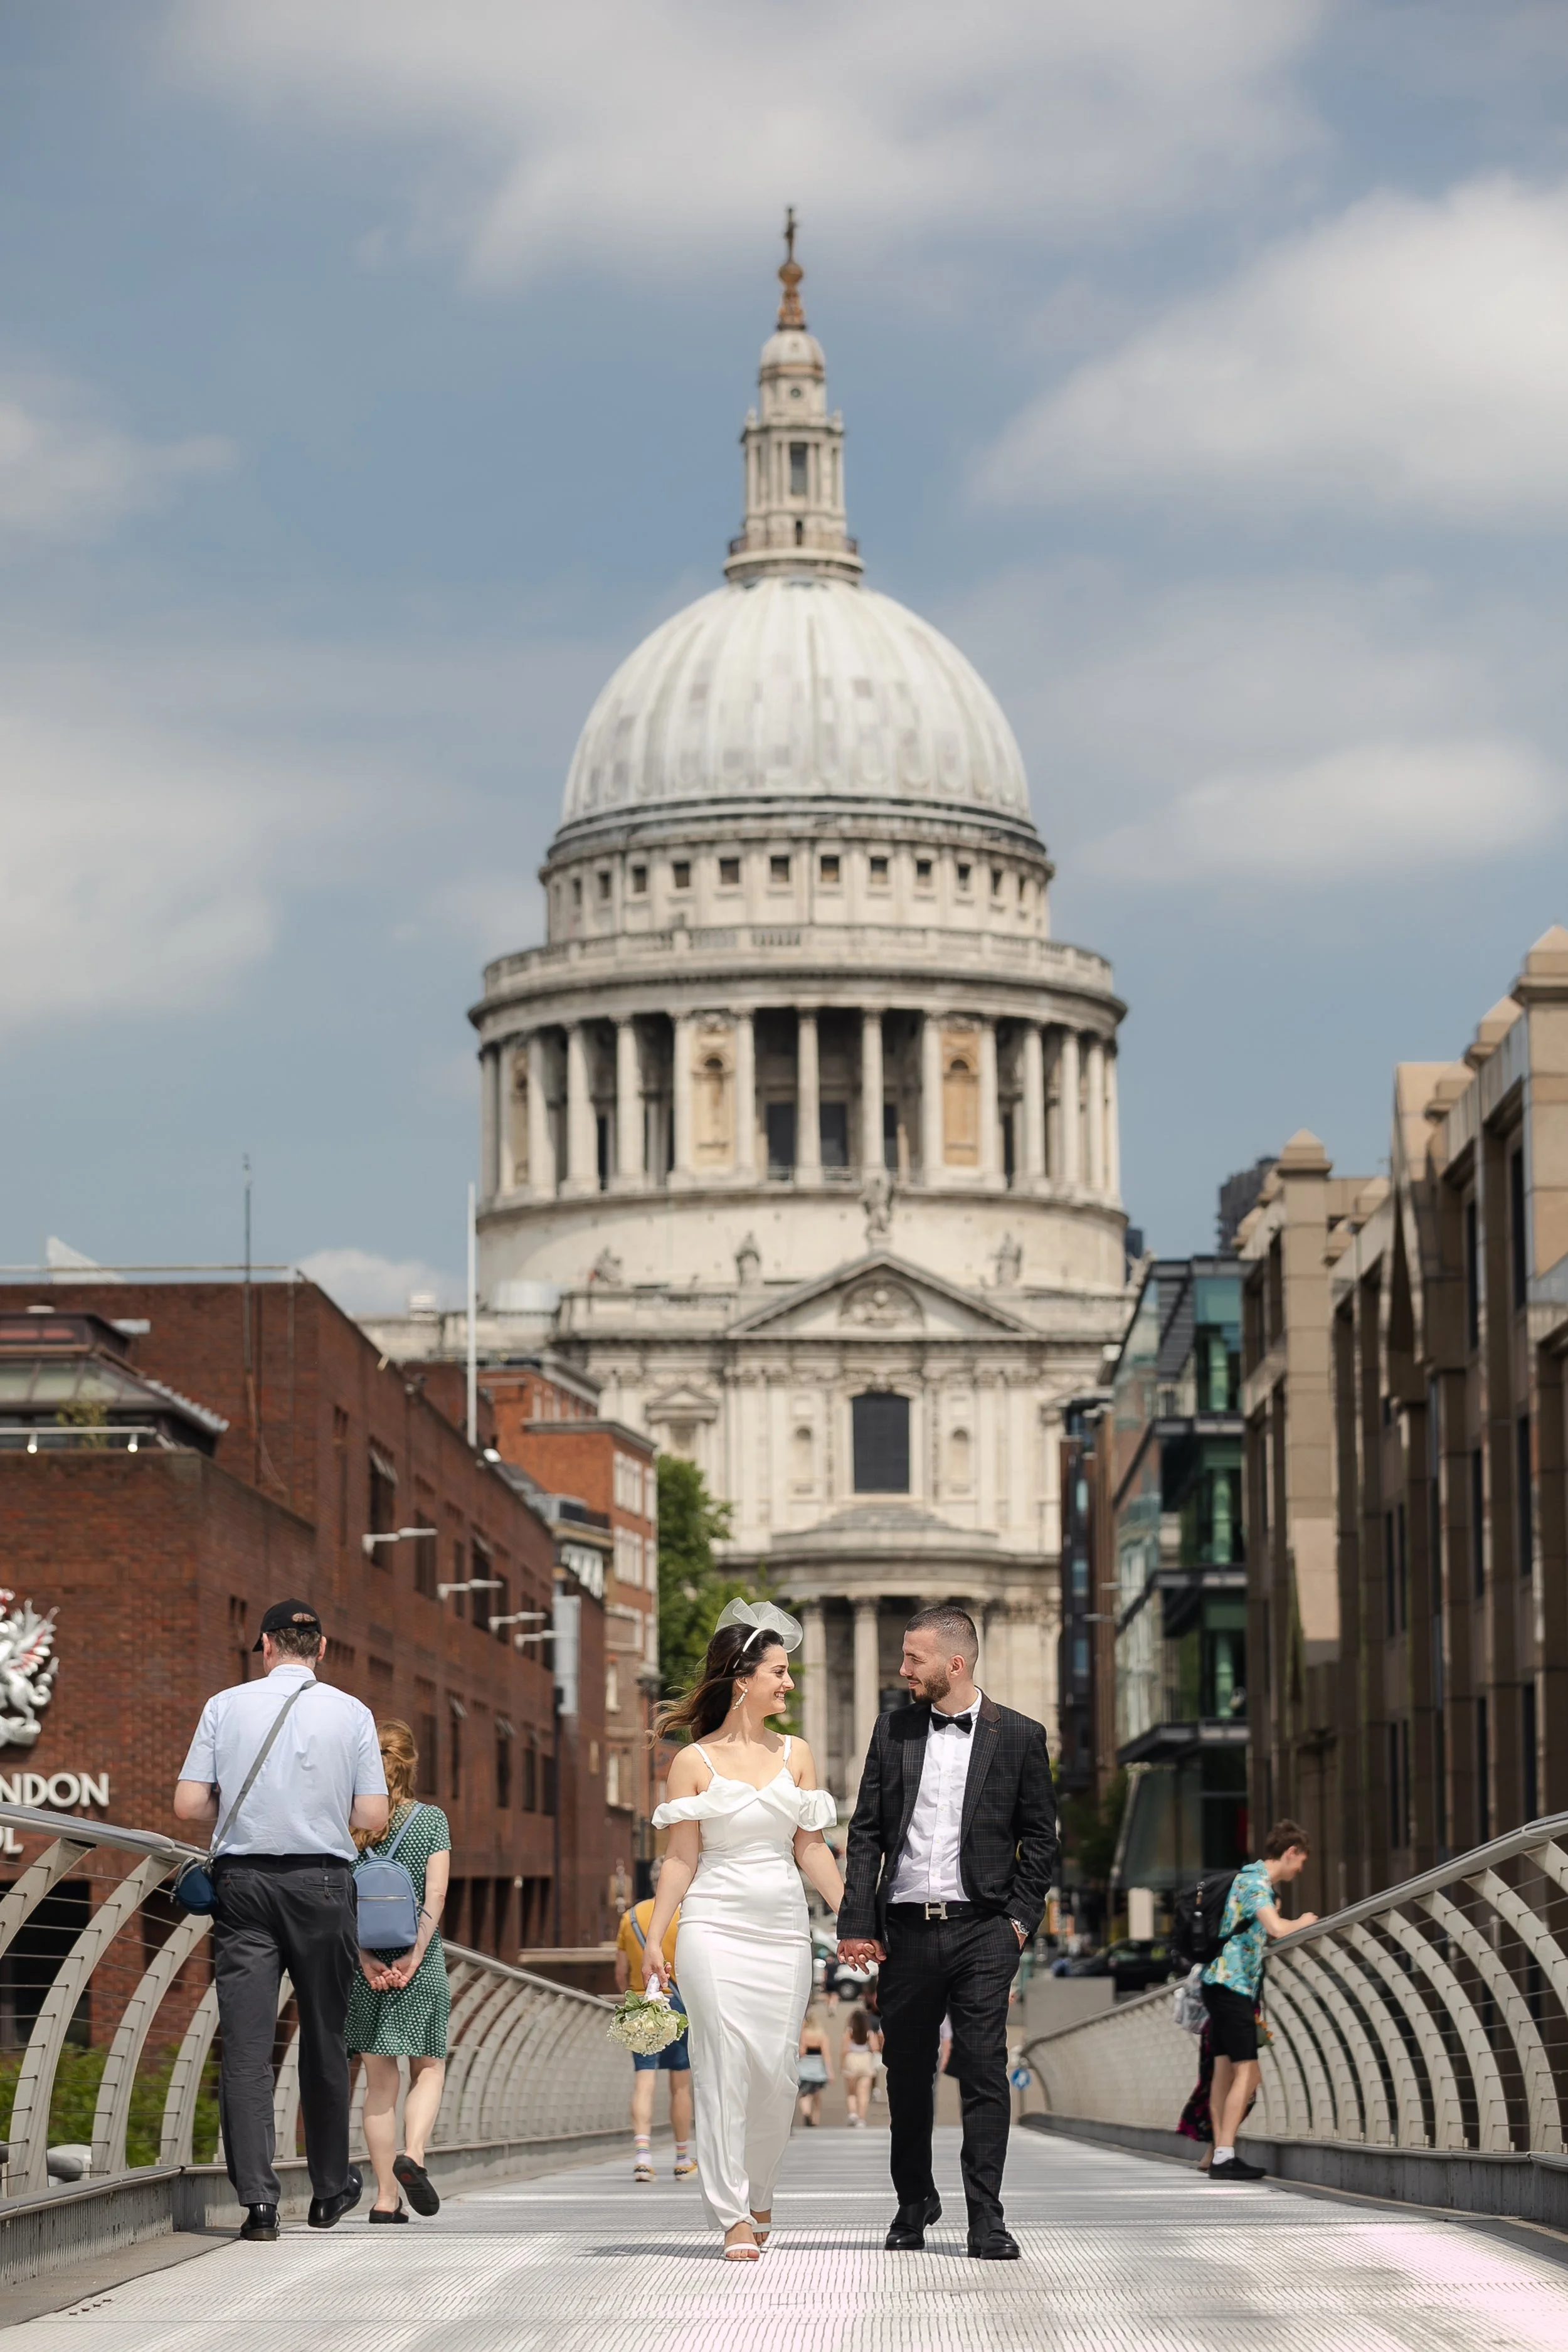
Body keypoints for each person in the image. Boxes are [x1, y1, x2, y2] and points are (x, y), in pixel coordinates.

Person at [838, 1603, 1057, 2262]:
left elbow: (1040, 1842)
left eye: (914, 1659)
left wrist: (1018, 1922)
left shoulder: (1019, 1736)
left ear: (954, 1664)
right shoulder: (892, 1730)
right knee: (905, 2074)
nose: (902, 1670)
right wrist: (857, 1923)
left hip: (983, 1930)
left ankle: (986, 2219)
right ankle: (913, 2203)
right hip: (904, 1930)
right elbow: (866, 1832)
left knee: (984, 2070)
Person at [174, 1598, 388, 2243]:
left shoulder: (224, 1706)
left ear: (265, 1645)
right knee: (324, 2037)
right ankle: (328, 2191)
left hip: (242, 1888)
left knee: (245, 2046)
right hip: (323, 1883)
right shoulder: (351, 1712)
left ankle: (259, 2205)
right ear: (320, 1649)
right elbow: (374, 1815)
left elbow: (187, 1806)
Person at [641, 1598, 841, 2262]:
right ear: (742, 1679)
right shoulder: (693, 1762)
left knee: (776, 2073)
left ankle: (761, 2190)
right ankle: (733, 2215)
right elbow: (679, 1860)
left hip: (783, 1931)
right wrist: (653, 1938)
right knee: (722, 2067)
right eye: (778, 1672)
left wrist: (855, 1920)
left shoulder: (798, 1754)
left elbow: (811, 1849)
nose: (788, 1683)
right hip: (712, 1928)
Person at [345, 1719, 450, 2222]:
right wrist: (414, 1955)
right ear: (411, 1762)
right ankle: (416, 2153)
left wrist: (367, 1960)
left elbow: (341, 1903)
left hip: (364, 1966)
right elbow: (436, 1895)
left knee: (378, 2083)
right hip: (421, 1963)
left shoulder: (348, 1824)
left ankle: (385, 2199)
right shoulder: (431, 1820)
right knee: (428, 2065)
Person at [1202, 1819, 1317, 2182]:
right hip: (1232, 1985)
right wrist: (1304, 1921)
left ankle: (1219, 2152)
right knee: (1248, 2072)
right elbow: (1276, 1928)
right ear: (1291, 1852)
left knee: (1223, 2073)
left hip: (1220, 1983)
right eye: (1301, 1862)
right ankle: (1224, 2155)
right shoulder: (1255, 1884)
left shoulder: (1247, 1879)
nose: (1300, 1870)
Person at [613, 1858, 696, 2182]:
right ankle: (681, 2157)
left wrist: (635, 1996)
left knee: (644, 2081)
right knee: (680, 2084)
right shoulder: (686, 1917)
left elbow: (621, 1972)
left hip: (641, 2003)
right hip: (679, 2003)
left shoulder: (630, 1917)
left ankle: (643, 2157)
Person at [840, 2007, 876, 2127]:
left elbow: (845, 2049)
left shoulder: (849, 2031)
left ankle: (853, 2113)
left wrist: (842, 2063)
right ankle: (862, 2118)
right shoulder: (869, 2032)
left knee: (851, 2092)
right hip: (865, 2059)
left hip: (852, 2058)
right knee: (864, 2092)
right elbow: (874, 2047)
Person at [797, 2011, 832, 2125]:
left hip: (804, 2068)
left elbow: (801, 2051)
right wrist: (830, 2071)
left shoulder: (804, 2035)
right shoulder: (821, 2036)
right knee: (816, 2096)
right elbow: (826, 2055)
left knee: (804, 2094)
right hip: (817, 2069)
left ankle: (806, 2113)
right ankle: (815, 2119)